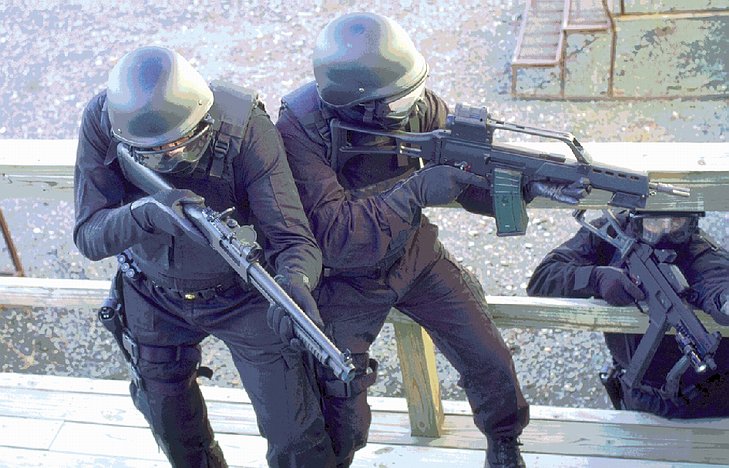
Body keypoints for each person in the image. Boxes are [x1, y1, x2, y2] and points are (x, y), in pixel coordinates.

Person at [275, 12, 590, 468]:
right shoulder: (300, 130)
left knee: (488, 357)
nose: (416, 106)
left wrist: (528, 184)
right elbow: (337, 235)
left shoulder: (413, 101)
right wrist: (417, 190)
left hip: (414, 256)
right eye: (400, 102)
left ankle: (504, 441)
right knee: (340, 403)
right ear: (358, 105)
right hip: (342, 279)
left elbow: (466, 176)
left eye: (416, 90)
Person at [73, 46, 336, 467]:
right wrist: (147, 214)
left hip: (245, 294)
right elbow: (89, 235)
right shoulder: (106, 120)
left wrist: (296, 283)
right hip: (152, 294)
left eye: (186, 142)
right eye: (159, 152)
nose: (174, 156)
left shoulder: (246, 128)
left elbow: (292, 239)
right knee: (173, 428)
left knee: (296, 435)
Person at [527, 210, 729, 418]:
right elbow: (542, 279)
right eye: (654, 222)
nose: (665, 230)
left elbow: (716, 278)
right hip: (638, 395)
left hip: (709, 397)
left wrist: (723, 300)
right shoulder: (611, 232)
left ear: (691, 223)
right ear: (635, 219)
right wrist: (594, 278)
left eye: (677, 221)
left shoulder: (699, 248)